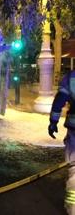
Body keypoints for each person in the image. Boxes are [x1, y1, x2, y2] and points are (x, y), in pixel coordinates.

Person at [48, 70, 75, 215]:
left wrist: (53, 122)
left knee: (74, 173)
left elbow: (59, 102)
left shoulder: (71, 77)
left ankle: (73, 209)